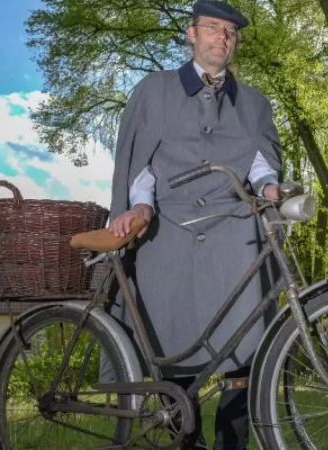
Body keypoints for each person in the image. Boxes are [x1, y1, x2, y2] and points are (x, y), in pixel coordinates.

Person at [108, 1, 281, 448]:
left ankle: (232, 442)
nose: (222, 37)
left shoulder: (254, 103)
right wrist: (141, 208)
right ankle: (186, 440)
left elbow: (260, 162)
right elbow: (141, 161)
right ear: (191, 34)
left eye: (230, 32)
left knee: (245, 348)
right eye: (213, 28)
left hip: (233, 233)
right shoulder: (155, 89)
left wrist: (270, 189)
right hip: (169, 232)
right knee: (170, 346)